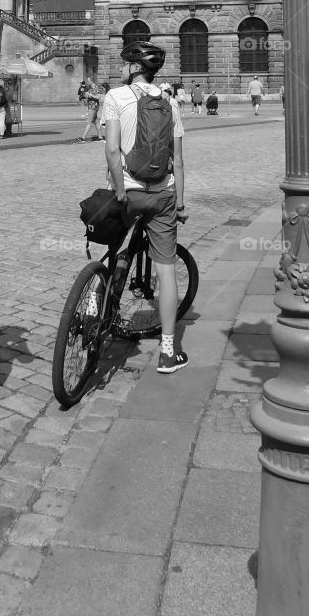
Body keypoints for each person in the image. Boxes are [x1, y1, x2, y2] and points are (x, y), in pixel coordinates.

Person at [101, 41, 187, 375]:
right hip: (163, 193)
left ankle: (94, 304)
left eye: (125, 63)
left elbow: (112, 151)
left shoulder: (115, 97)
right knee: (166, 271)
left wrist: (120, 190)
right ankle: (168, 351)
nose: (121, 68)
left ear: (135, 68)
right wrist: (180, 203)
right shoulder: (170, 102)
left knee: (111, 248)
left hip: (128, 191)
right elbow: (178, 160)